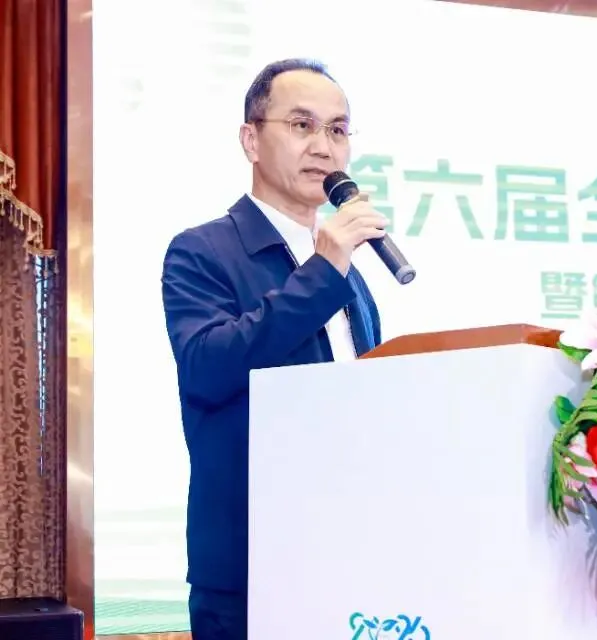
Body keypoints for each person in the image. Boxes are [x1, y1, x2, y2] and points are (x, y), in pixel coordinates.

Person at [161, 58, 388, 640]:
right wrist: (325, 270)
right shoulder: (202, 252)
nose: (324, 147)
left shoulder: (348, 273)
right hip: (249, 566)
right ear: (251, 139)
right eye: (302, 125)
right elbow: (208, 367)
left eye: (338, 130)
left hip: (348, 557)